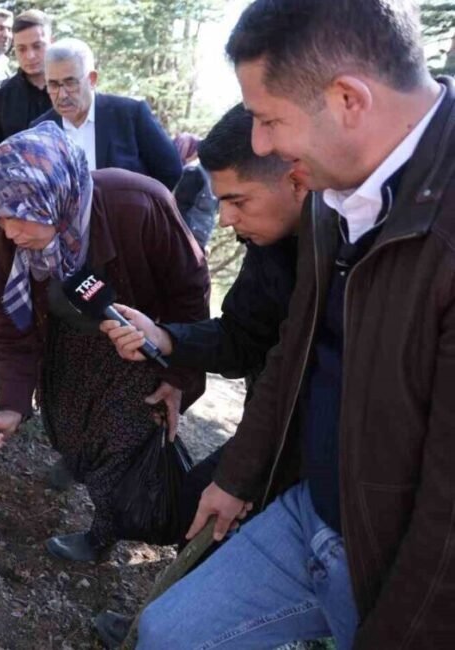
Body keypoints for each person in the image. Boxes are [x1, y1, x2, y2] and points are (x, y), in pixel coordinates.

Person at [138, 1, 455, 648]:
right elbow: (292, 351)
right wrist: (238, 475)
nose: (260, 145)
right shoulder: (332, 193)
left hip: (388, 567)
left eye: (268, 119)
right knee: (165, 633)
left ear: (347, 99)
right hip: (308, 510)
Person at [91, 104, 306, 650]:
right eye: (221, 201)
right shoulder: (271, 241)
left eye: (237, 201)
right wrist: (166, 338)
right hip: (270, 436)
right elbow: (242, 338)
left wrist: (244, 480)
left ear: (297, 178)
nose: (227, 220)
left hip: (319, 465)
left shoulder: (365, 246)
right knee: (184, 508)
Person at [0, 122, 209, 564]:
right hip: (66, 339)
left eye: (19, 215)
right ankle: (80, 461)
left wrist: (179, 377)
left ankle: (112, 535)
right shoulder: (1, 240)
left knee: (127, 444)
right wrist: (13, 405)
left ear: (55, 200)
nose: (7, 230)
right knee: (70, 426)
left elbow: (189, 293)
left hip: (138, 344)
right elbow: (11, 331)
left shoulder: (138, 204)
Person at [0, 9, 54, 329]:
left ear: (51, 42)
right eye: (21, 49)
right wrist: (1, 204)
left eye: (38, 46)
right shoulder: (1, 93)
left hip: (62, 198)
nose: (30, 56)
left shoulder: (67, 88)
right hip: (13, 198)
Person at [31, 38, 182, 190]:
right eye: (53, 85)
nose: (62, 94)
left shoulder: (130, 115)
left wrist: (142, 208)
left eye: (70, 83)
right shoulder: (39, 130)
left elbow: (171, 171)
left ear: (92, 79)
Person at [172, 132, 218, 250]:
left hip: (192, 241)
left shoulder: (202, 173)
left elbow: (180, 210)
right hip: (188, 241)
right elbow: (180, 210)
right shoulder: (197, 172)